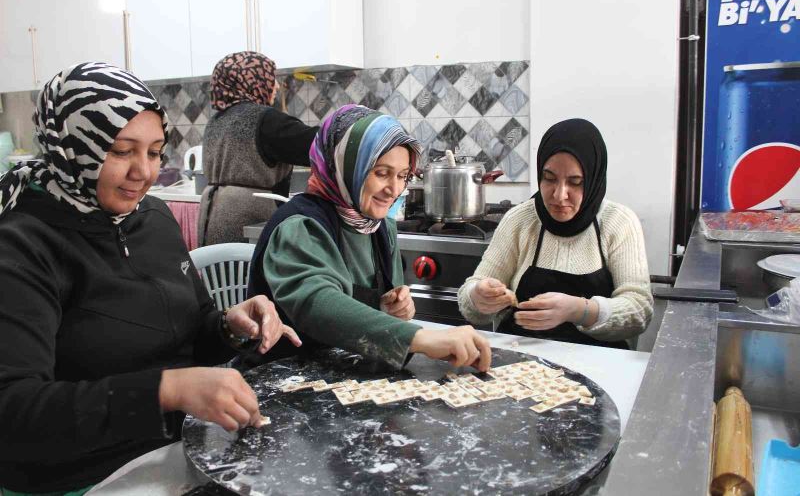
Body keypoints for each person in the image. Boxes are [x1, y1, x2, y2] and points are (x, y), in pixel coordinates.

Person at [0, 62, 300, 495]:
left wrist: (230, 326)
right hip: (81, 478)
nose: (144, 172)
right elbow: (14, 413)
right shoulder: (24, 243)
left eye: (155, 151)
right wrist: (165, 390)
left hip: (178, 449)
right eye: (121, 151)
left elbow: (193, 331)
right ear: (73, 146)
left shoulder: (153, 218)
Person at [248, 104, 492, 370]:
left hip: (347, 373)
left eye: (403, 176)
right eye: (381, 173)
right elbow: (316, 304)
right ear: (345, 166)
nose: (394, 189)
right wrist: (420, 338)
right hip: (284, 378)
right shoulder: (299, 226)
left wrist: (395, 310)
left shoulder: (380, 227)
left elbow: (385, 311)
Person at [457, 118, 653, 348]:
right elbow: (471, 300)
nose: (559, 195)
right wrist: (478, 297)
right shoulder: (520, 220)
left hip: (601, 362)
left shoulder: (618, 223)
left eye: (576, 182)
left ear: (594, 179)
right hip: (519, 360)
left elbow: (639, 311)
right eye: (549, 179)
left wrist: (578, 311)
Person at [198, 51, 319, 246]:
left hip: (212, 217)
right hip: (250, 218)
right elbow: (315, 144)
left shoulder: (216, 120)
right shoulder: (265, 120)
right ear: (254, 81)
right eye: (272, 78)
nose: (277, 86)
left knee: (224, 275)